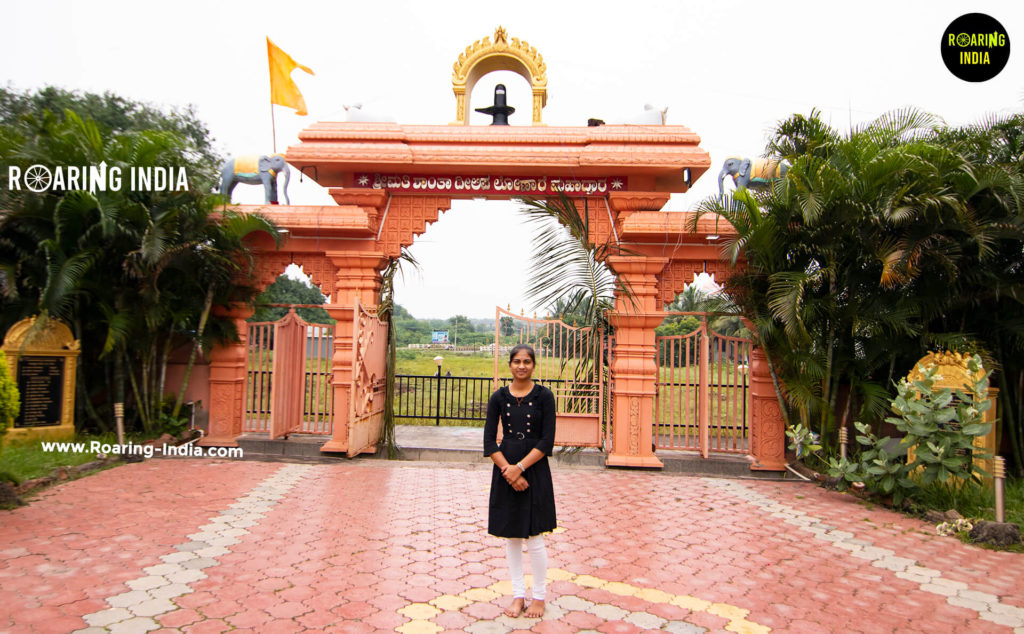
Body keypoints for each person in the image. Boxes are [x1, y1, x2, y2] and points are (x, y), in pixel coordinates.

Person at [483, 343, 557, 618]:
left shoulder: (544, 397)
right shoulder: (498, 397)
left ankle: (539, 597)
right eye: (517, 361)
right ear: (510, 364)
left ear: (533, 365)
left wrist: (521, 468)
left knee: (534, 536)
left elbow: (547, 440)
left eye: (527, 362)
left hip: (535, 470)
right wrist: (508, 471)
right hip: (505, 471)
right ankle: (517, 595)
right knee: (512, 537)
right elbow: (489, 440)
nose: (522, 366)